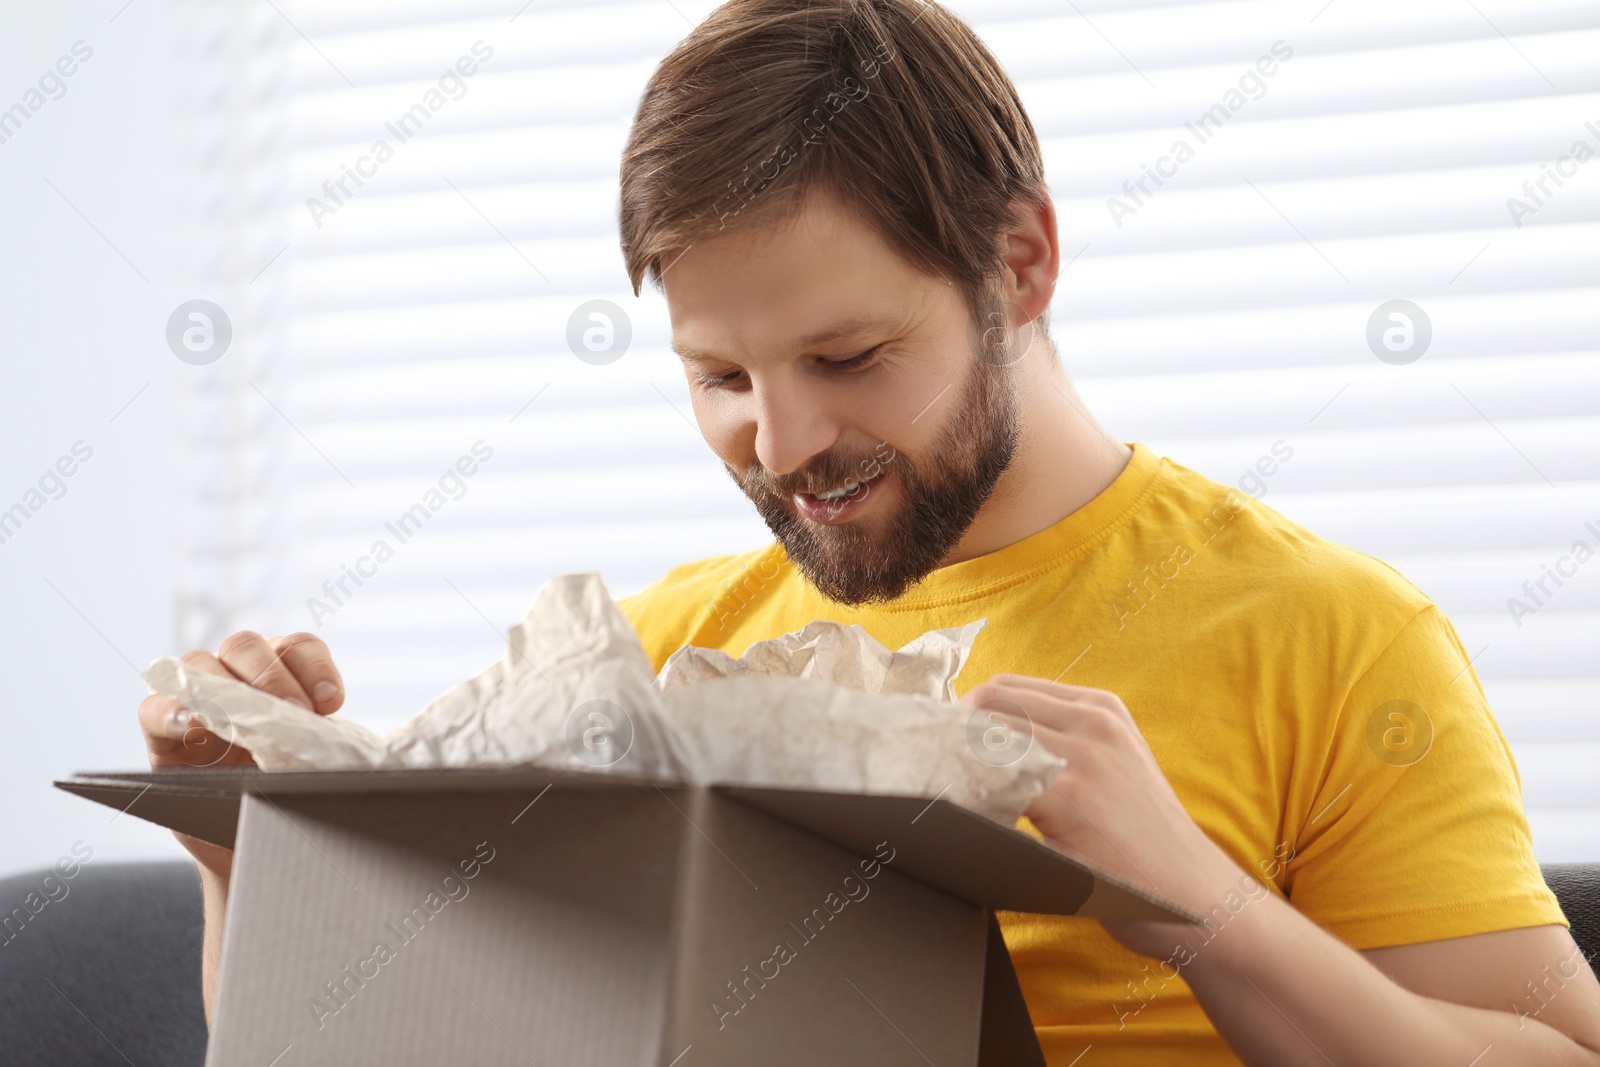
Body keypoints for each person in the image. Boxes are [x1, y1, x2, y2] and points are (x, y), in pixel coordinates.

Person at [140, 1, 1600, 1062]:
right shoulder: (662, 660)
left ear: (1017, 263)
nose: (778, 452)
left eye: (846, 361)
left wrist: (1203, 907)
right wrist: (253, 848)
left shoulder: (1329, 635)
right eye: (719, 377)